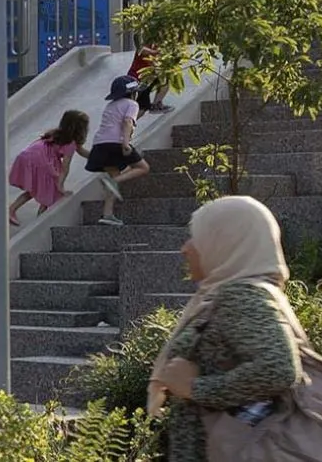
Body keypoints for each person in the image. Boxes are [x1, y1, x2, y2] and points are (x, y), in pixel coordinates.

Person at [145, 196, 307, 462]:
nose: (185, 249)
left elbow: (279, 369)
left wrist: (193, 388)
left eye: (197, 238)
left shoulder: (242, 296)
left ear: (225, 242)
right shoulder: (225, 294)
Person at [8, 111, 91, 225]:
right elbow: (65, 167)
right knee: (51, 191)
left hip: (28, 155)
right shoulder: (69, 143)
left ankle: (13, 210)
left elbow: (81, 151)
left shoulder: (58, 134)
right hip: (41, 161)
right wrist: (60, 186)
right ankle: (40, 220)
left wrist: (97, 158)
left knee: (37, 189)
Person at [88, 76, 151, 225]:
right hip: (116, 142)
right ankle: (112, 181)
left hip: (99, 144)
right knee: (143, 167)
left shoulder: (110, 105)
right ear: (132, 93)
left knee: (115, 175)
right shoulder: (132, 104)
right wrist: (126, 143)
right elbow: (128, 122)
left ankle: (107, 214)